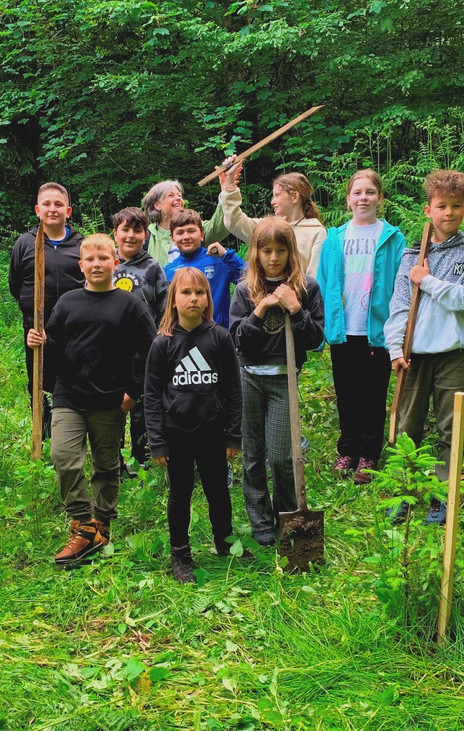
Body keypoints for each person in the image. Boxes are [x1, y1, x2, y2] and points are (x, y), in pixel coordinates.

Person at [26, 234, 156, 565]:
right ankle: (83, 524)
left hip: (111, 398)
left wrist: (134, 390)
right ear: (81, 265)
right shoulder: (68, 302)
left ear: (116, 262)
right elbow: (54, 347)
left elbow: (150, 350)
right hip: (69, 394)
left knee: (105, 465)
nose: (97, 264)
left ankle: (103, 525)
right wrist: (39, 341)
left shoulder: (130, 304)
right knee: (64, 456)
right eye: (90, 259)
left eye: (103, 258)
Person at [383, 170, 464, 524]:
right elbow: (398, 306)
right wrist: (395, 349)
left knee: (449, 426)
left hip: (452, 355)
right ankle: (405, 492)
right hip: (414, 354)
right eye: (441, 206)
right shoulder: (412, 255)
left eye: (456, 206)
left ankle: (443, 496)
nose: (449, 213)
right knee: (406, 427)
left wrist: (427, 280)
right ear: (428, 210)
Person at [229, 218, 324, 546]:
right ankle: (260, 518)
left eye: (280, 251)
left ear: (290, 252)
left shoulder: (307, 288)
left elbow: (315, 340)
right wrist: (261, 309)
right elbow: (238, 342)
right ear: (255, 252)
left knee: (283, 456)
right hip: (250, 379)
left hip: (285, 380)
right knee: (253, 454)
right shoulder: (246, 290)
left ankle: (288, 516)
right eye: (266, 251)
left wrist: (296, 309)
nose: (273, 258)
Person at [144, 267, 243, 583]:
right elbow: (151, 395)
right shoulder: (163, 344)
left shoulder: (220, 338)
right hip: (177, 437)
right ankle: (180, 552)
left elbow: (233, 390)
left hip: (213, 434)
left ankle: (225, 544)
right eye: (186, 292)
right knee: (180, 494)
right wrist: (157, 441)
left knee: (218, 492)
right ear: (173, 299)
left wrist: (232, 435)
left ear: (208, 298)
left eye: (200, 292)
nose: (193, 298)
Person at [316, 169, 407, 484]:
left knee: (372, 394)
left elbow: (401, 285)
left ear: (380, 198)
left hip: (377, 333)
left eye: (370, 192)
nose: (363, 198)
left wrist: (399, 328)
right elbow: (324, 282)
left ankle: (369, 454)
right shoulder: (335, 238)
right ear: (348, 199)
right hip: (344, 331)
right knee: (347, 394)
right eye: (357, 193)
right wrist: (325, 324)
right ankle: (348, 450)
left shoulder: (393, 238)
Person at [8, 183, 85, 434]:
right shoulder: (25, 243)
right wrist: (30, 316)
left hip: (75, 329)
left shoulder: (80, 244)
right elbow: (15, 284)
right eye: (47, 204)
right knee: (40, 382)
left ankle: (73, 432)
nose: (53, 209)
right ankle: (42, 436)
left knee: (75, 378)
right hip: (37, 329)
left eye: (59, 204)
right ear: (37, 210)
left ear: (68, 211)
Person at [112, 206, 168, 468]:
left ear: (145, 235)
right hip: (110, 352)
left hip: (144, 353)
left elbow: (165, 310)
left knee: (142, 410)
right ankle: (113, 462)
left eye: (137, 230)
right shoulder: (104, 264)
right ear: (115, 233)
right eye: (125, 229)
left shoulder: (153, 268)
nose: (131, 236)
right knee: (111, 409)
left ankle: (141, 463)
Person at [218, 161, 327, 276]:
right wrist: (229, 184)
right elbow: (234, 222)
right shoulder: (268, 228)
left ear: (295, 197)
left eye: (277, 195)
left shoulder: (316, 232)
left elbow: (316, 279)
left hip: (297, 293)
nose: (272, 202)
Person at [164, 208, 245, 329]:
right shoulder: (169, 271)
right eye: (180, 233)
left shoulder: (219, 261)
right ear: (173, 239)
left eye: (191, 231)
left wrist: (227, 255)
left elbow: (250, 278)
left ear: (202, 234)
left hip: (219, 334)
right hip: (185, 337)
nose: (186, 237)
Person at [142, 179, 230, 266]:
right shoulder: (146, 236)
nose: (178, 199)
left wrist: (226, 192)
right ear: (157, 205)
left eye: (179, 195)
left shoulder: (196, 227)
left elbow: (220, 225)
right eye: (171, 195)